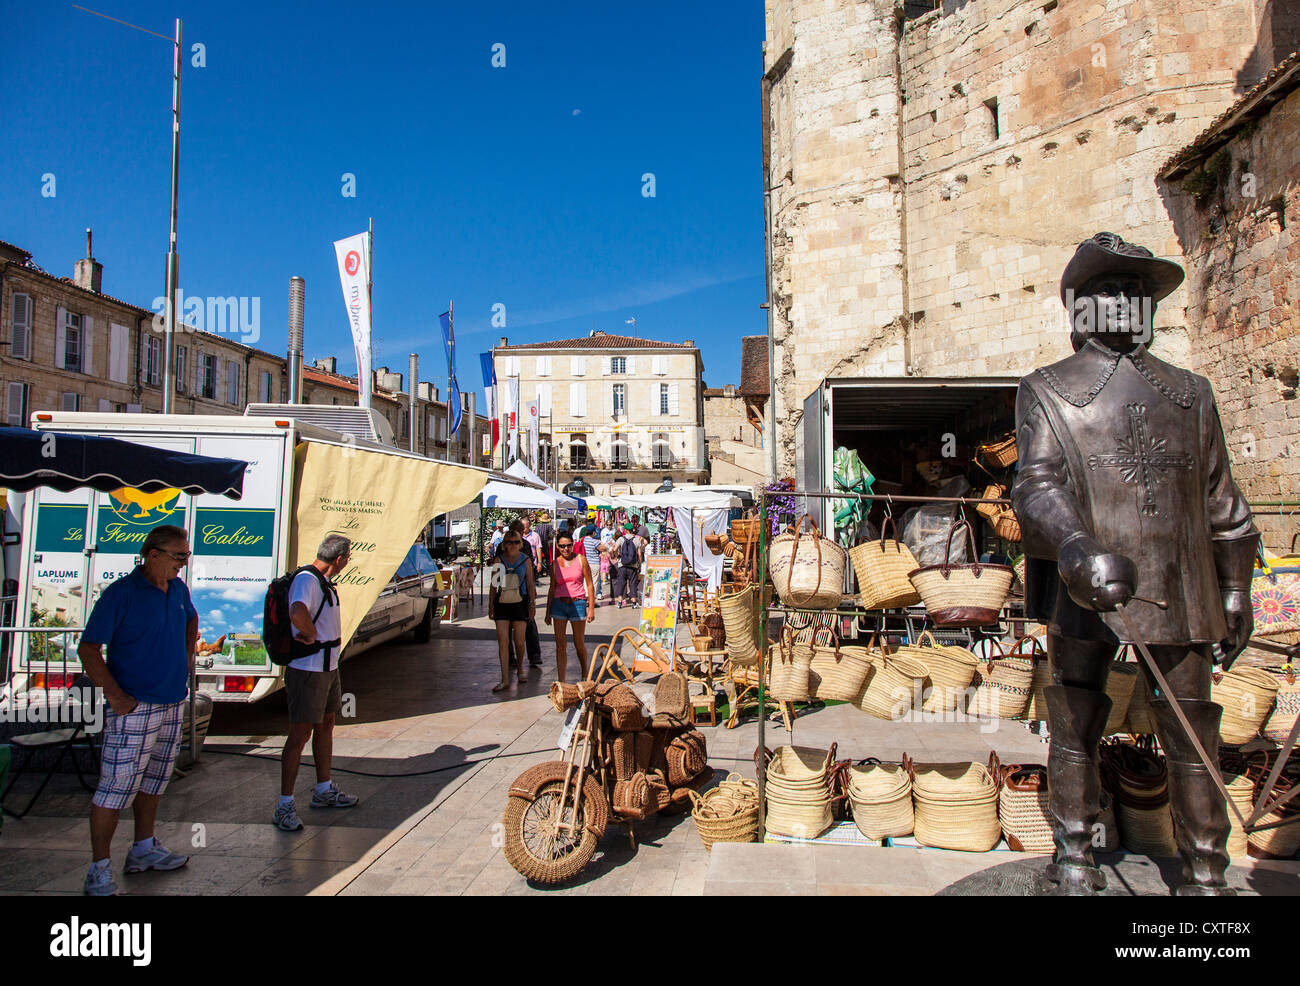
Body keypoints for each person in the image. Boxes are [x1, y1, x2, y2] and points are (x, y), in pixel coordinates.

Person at [1012, 232, 1257, 896]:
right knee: (1074, 718)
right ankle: (1074, 854)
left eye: (1137, 291)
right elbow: (1036, 485)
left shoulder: (1192, 394)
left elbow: (1222, 501)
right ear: (1082, 306)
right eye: (1111, 289)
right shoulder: (1048, 391)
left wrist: (1236, 587)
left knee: (1192, 733)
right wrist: (1075, 546)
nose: (1126, 302)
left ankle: (1207, 872)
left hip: (1182, 586)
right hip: (1086, 586)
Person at [77, 525, 197, 896]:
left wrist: (186, 658)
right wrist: (114, 696)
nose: (184, 563)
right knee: (115, 788)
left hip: (172, 701)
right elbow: (88, 649)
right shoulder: (122, 594)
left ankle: (144, 848)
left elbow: (191, 620)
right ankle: (98, 869)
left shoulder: (176, 589)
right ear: (153, 553)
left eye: (187, 556)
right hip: (135, 705)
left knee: (155, 781)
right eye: (179, 556)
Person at [273, 534, 359, 833]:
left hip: (327, 668)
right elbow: (297, 611)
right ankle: (284, 804)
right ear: (339, 559)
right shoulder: (307, 580)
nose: (348, 562)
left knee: (326, 724)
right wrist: (309, 635)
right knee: (299, 734)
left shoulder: (321, 582)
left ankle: (323, 789)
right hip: (309, 669)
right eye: (348, 557)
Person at [489, 528, 536, 692]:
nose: (513, 545)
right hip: (502, 602)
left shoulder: (526, 560)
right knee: (503, 642)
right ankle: (504, 678)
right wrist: (490, 606)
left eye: (517, 542)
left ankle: (521, 668)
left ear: (520, 543)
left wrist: (532, 604)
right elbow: (494, 585)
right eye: (510, 542)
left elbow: (530, 584)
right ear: (504, 544)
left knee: (519, 641)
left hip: (520, 602)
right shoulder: (499, 560)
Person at [545, 532, 595, 682]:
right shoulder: (555, 564)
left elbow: (590, 584)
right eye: (562, 546)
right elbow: (552, 587)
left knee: (579, 643)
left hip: (577, 603)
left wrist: (591, 608)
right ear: (557, 546)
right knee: (560, 644)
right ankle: (561, 680)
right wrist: (548, 611)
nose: (565, 549)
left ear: (572, 545)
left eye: (568, 545)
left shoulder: (581, 560)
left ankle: (584, 674)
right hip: (559, 604)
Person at [498, 520, 543, 670]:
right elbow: (495, 574)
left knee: (529, 624)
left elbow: (529, 569)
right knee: (507, 630)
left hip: (522, 593)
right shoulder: (501, 546)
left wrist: (532, 594)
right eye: (517, 529)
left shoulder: (524, 545)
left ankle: (533, 655)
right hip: (504, 594)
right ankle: (512, 657)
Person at [611, 523, 645, 608]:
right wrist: (640, 565)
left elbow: (614, 549)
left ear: (625, 530)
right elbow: (640, 554)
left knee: (621, 583)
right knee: (633, 583)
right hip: (633, 566)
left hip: (622, 565)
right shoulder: (636, 540)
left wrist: (616, 555)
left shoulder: (621, 539)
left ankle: (619, 602)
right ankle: (634, 602)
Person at [581, 521, 607, 604]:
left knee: (586, 581)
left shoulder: (583, 540)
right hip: (594, 563)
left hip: (585, 563)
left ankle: (586, 598)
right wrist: (602, 543)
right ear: (593, 533)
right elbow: (603, 549)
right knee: (594, 582)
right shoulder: (594, 541)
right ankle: (591, 600)